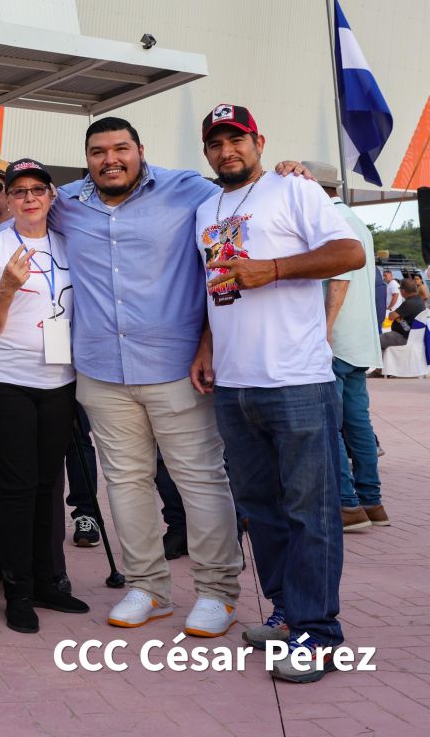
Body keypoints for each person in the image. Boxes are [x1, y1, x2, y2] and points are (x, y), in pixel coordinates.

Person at [50, 117, 243, 639]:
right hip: (101, 369)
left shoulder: (190, 190)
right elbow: (14, 211)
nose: (110, 159)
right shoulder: (65, 202)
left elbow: (243, 196)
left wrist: (290, 174)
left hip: (177, 367)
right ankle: (148, 587)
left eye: (120, 148)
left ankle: (217, 593)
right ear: (86, 157)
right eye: (97, 151)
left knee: (200, 480)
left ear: (141, 149)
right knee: (125, 482)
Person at [191, 105, 365, 682]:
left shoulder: (294, 191)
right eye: (215, 143)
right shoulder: (206, 209)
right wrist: (207, 347)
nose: (226, 151)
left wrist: (275, 268)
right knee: (261, 510)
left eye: (236, 140)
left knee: (309, 511)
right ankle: (289, 615)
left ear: (258, 141)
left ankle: (320, 634)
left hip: (296, 378)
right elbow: (215, 290)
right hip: (235, 384)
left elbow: (350, 254)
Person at [0, 159, 90, 634]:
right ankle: (17, 589)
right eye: (17, 190)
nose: (27, 198)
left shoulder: (68, 244)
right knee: (17, 488)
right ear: (7, 198)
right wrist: (6, 286)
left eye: (36, 189)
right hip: (7, 380)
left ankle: (49, 581)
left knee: (50, 485)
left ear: (50, 196)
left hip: (59, 381)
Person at [301, 162, 389, 532]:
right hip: (360, 341)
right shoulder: (356, 220)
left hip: (334, 342)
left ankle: (347, 504)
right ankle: (372, 502)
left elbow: (339, 278)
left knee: (328, 425)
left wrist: (324, 331)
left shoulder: (329, 222)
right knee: (357, 425)